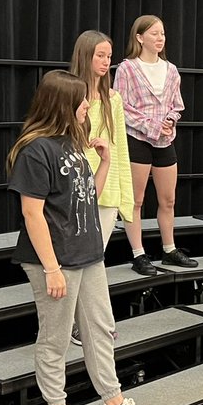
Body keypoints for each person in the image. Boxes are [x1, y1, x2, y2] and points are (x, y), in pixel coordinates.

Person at [7, 70, 160, 405]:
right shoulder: (35, 149)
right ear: (63, 104)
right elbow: (32, 214)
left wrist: (104, 162)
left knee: (100, 330)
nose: (88, 104)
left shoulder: (73, 143)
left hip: (87, 254)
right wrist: (52, 269)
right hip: (55, 259)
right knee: (56, 337)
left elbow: (85, 195)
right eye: (81, 99)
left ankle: (113, 403)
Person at [113, 15, 197, 275]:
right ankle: (138, 254)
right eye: (154, 34)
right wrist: (151, 124)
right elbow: (121, 106)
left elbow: (177, 105)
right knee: (136, 201)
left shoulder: (171, 69)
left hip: (164, 141)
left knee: (168, 199)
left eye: (162, 34)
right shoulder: (127, 68)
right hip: (138, 139)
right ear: (139, 38)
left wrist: (170, 121)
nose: (160, 39)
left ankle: (169, 249)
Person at [68, 30, 133, 346]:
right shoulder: (70, 94)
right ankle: (84, 322)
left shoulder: (113, 99)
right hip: (77, 189)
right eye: (101, 56)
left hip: (106, 192)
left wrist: (125, 195)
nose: (107, 62)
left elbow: (120, 147)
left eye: (109, 56)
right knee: (82, 262)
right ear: (86, 56)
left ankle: (91, 323)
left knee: (94, 260)